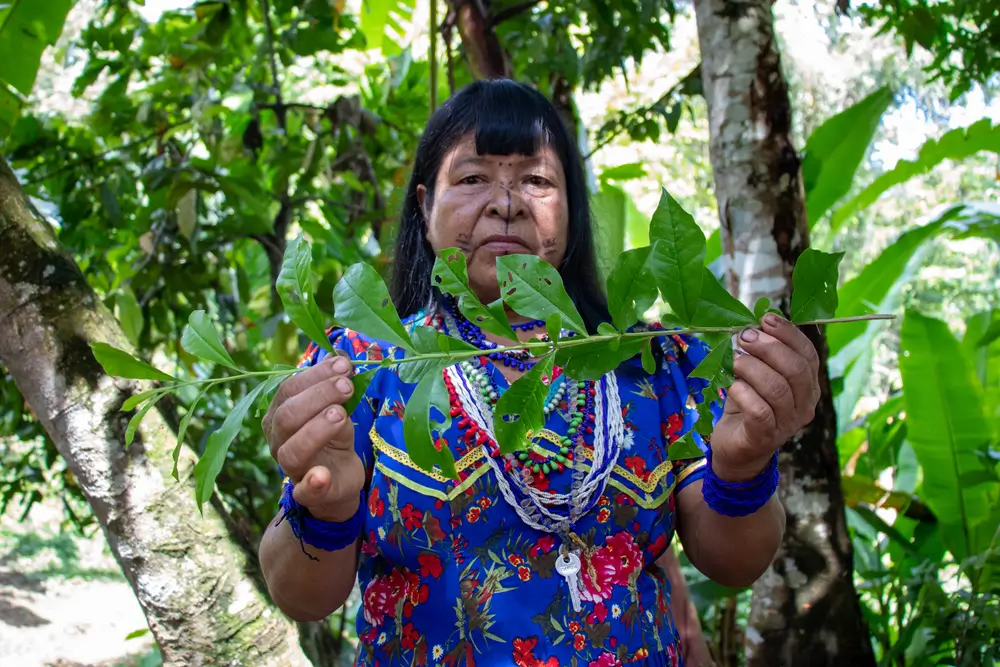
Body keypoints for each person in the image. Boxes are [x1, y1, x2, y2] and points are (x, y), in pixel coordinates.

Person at [258, 79, 819, 667]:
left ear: (572, 210)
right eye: (473, 179)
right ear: (424, 207)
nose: (506, 202)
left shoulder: (653, 359)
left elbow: (733, 560)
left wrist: (743, 467)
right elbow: (302, 595)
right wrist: (324, 508)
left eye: (537, 180)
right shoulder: (364, 368)